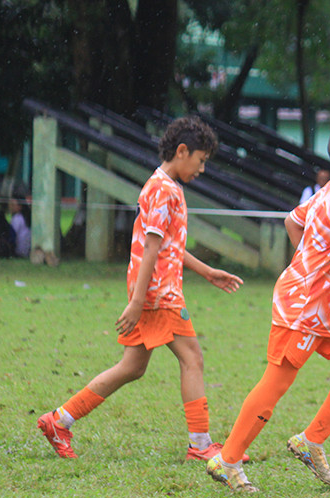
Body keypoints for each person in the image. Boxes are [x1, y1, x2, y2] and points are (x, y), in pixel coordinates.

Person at [36, 117, 243, 460]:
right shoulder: (162, 189)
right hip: (159, 293)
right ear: (182, 151)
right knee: (192, 358)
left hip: (151, 290)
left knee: (132, 367)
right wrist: (136, 302)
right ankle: (201, 445)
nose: (202, 169)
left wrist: (207, 272)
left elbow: (169, 246)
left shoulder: (165, 186)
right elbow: (151, 249)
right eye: (201, 160)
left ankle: (59, 420)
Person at [205, 123, 330, 493]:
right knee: (277, 382)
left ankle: (311, 440)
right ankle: (227, 460)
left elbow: (293, 221)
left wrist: (305, 262)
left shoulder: (328, 191)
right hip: (306, 307)